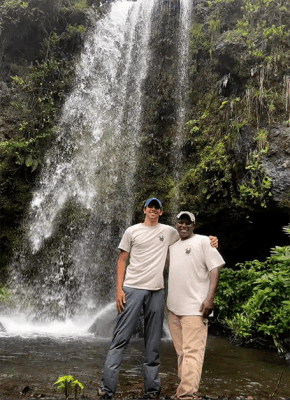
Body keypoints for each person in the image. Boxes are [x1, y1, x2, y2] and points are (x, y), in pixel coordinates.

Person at [98, 199, 218, 400]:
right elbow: (122, 259)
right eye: (149, 207)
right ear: (144, 209)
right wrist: (119, 290)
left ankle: (152, 390)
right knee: (120, 340)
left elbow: (191, 238)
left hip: (156, 292)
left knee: (153, 343)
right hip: (133, 289)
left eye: (156, 207)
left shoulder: (170, 232)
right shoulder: (132, 231)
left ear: (161, 211)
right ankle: (106, 389)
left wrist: (211, 240)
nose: (153, 210)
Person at [167, 211, 225, 400]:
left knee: (192, 352)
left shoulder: (204, 242)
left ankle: (187, 395)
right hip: (174, 309)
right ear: (176, 224)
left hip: (195, 308)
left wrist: (210, 298)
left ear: (194, 225)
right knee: (182, 353)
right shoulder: (172, 245)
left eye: (187, 223)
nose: (183, 226)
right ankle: (183, 391)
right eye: (180, 222)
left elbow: (214, 269)